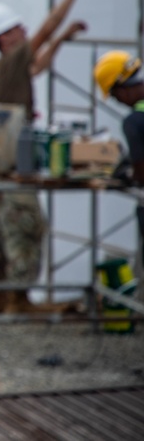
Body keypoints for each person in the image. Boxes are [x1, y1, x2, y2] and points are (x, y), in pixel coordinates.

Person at [0, 0, 93, 312]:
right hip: (13, 163)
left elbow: (38, 65)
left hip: (1, 162)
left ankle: (1, 302)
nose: (24, 30)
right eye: (16, 28)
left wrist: (62, 39)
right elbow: (46, 27)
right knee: (26, 227)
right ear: (4, 38)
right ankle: (17, 300)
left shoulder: (5, 69)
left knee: (1, 232)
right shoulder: (10, 63)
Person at [93, 50, 144, 306]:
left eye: (113, 95)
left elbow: (141, 172)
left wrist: (126, 173)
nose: (118, 101)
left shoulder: (134, 121)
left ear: (121, 88)